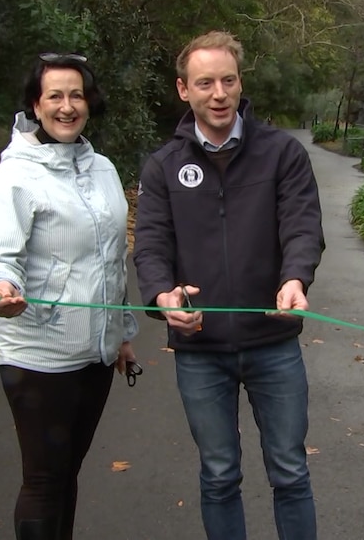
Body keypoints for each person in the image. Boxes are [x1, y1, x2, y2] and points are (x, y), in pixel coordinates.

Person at [133, 31, 325, 540]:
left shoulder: (281, 153)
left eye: (228, 80)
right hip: (200, 350)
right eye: (205, 83)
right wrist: (161, 297)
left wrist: (294, 278)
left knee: (290, 472)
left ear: (240, 84)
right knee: (219, 477)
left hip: (273, 345)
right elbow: (150, 247)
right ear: (183, 90)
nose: (218, 93)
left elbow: (302, 226)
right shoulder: (162, 167)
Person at [0, 53, 138, 540]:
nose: (67, 107)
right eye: (55, 96)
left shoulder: (103, 168)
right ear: (35, 105)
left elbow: (110, 261)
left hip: (96, 356)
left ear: (90, 102)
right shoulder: (14, 175)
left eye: (76, 95)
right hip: (39, 356)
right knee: (44, 480)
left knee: (66, 475)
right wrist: (2, 287)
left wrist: (122, 335)